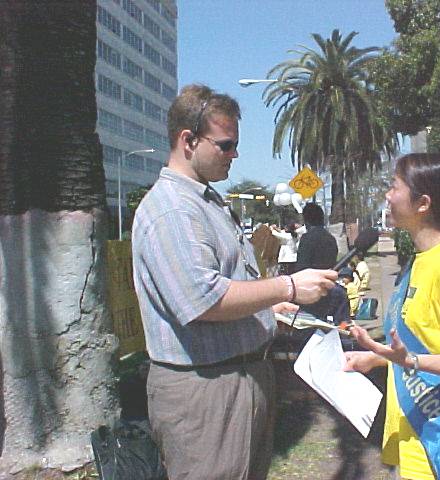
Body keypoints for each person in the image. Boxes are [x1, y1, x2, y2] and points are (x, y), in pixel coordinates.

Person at [131, 84, 337, 480]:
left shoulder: (207, 202)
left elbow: (228, 284)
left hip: (239, 379)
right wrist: (288, 288)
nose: (235, 155)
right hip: (206, 390)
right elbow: (202, 299)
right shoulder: (173, 210)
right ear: (188, 141)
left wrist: (267, 309)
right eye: (226, 145)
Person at [344, 153, 440, 480]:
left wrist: (410, 360)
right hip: (411, 430)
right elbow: (425, 344)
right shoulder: (419, 260)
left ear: (423, 203)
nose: (388, 196)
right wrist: (376, 358)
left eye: (394, 187)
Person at [295, 203, 338, 271]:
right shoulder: (331, 238)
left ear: (306, 220)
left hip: (312, 276)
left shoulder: (307, 238)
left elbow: (301, 266)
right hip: (328, 275)